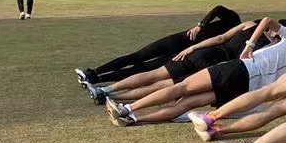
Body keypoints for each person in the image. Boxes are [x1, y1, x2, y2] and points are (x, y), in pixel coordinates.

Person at [107, 19, 286, 126]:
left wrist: (250, 45)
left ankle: (128, 108)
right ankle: (135, 119)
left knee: (182, 88)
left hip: (239, 68)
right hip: (245, 90)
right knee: (187, 104)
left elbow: (267, 20)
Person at [87, 15, 269, 106]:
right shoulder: (269, 46)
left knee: (153, 74)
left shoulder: (248, 25)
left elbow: (220, 38)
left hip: (203, 52)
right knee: (165, 85)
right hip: (213, 66)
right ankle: (112, 98)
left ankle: (105, 89)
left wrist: (193, 48)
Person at [75, 5, 243, 93]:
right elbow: (218, 9)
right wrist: (200, 25)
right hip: (180, 41)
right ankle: (93, 73)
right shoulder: (235, 21)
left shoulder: (237, 38)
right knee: (138, 57)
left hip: (184, 54)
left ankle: (96, 79)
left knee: (142, 68)